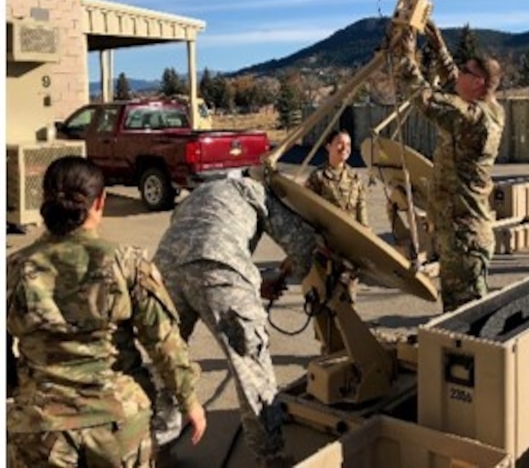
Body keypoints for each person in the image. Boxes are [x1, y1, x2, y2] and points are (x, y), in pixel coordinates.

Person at [6, 156, 206, 468]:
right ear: (101, 202)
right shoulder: (127, 264)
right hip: (117, 426)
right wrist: (189, 401)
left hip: (41, 427)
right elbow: (164, 341)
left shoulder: (14, 268)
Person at [151, 167, 321, 468]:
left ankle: (158, 451)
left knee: (168, 360)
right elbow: (301, 244)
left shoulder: (199, 195)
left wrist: (255, 283)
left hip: (165, 270)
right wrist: (303, 270)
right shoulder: (256, 191)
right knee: (250, 365)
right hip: (219, 267)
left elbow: (201, 239)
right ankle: (272, 457)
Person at [391, 20, 506, 313]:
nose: (459, 74)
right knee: (463, 318)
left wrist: (406, 56)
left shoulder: (469, 119)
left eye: (467, 71)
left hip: (462, 239)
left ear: (479, 82)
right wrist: (439, 47)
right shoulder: (490, 110)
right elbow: (457, 81)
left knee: (465, 323)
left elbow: (424, 98)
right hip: (465, 235)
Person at [305, 128, 369, 227]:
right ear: (328, 147)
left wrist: (366, 234)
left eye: (348, 144)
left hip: (351, 236)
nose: (344, 148)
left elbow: (361, 210)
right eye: (340, 143)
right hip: (327, 237)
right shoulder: (318, 176)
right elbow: (309, 211)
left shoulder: (355, 176)